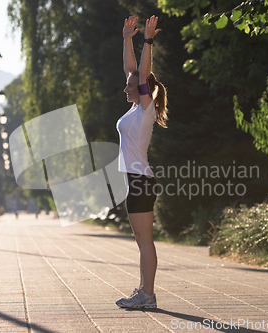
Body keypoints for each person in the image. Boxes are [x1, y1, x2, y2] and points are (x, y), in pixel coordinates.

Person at [115, 15, 168, 309]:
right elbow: (131, 70)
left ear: (142, 90)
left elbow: (141, 73)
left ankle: (147, 294)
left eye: (129, 87)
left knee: (144, 240)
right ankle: (145, 292)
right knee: (141, 239)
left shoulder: (145, 109)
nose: (125, 88)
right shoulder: (136, 107)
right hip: (136, 181)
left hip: (141, 182)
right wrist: (127, 39)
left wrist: (147, 41)